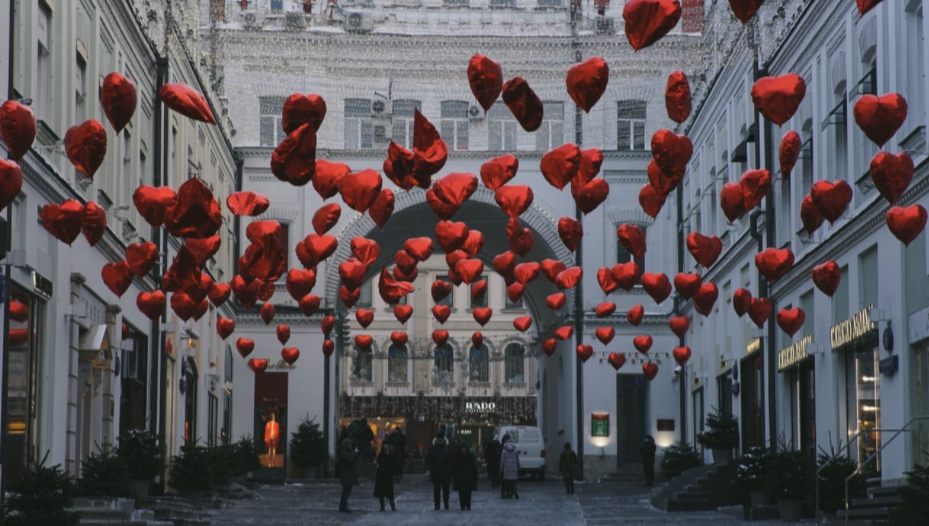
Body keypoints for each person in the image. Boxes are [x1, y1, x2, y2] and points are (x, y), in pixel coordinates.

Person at [425, 433, 452, 510]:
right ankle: (437, 505)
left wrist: (449, 465)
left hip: (445, 471)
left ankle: (446, 503)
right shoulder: (432, 448)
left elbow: (453, 457)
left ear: (443, 439)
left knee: (446, 489)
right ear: (436, 439)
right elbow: (427, 458)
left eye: (441, 438)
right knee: (436, 489)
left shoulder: (448, 448)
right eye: (438, 438)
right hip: (435, 471)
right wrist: (432, 465)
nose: (440, 439)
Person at [452, 443, 479, 511]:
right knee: (461, 493)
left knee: (468, 493)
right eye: (462, 448)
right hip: (460, 477)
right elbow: (454, 467)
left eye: (464, 448)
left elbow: (474, 467)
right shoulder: (457, 457)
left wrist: (475, 477)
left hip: (468, 477)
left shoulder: (471, 457)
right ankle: (462, 505)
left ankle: (468, 505)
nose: (463, 450)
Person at [337, 439, 359, 513]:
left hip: (348, 475)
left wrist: (355, 454)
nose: (350, 445)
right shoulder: (344, 453)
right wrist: (355, 453)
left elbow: (352, 459)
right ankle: (343, 506)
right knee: (346, 491)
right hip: (346, 475)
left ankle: (343, 506)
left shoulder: (346, 452)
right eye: (349, 444)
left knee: (346, 491)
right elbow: (350, 460)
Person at [374, 443, 396, 512]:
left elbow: (393, 463)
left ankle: (392, 506)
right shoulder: (381, 455)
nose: (386, 451)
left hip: (388, 476)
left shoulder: (391, 455)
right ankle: (382, 506)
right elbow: (380, 462)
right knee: (381, 493)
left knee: (389, 492)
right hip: (382, 475)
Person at [499, 434, 520, 499]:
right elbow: (517, 460)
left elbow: (502, 461)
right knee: (514, 481)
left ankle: (508, 493)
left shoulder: (504, 451)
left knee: (507, 481)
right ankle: (514, 492)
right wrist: (518, 467)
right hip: (514, 468)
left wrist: (501, 469)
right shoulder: (515, 450)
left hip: (506, 469)